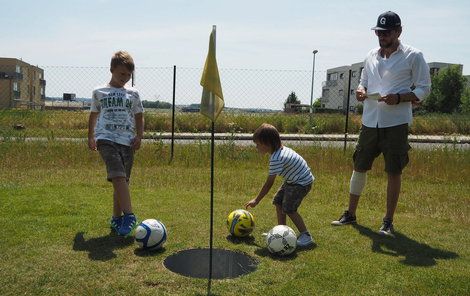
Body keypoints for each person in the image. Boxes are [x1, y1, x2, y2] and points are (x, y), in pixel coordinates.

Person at [331, 11, 431, 236]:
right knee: (359, 165)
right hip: (370, 120)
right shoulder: (370, 55)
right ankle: (350, 214)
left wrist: (400, 98)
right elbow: (363, 81)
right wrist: (360, 90)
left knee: (393, 171)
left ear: (398, 31)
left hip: (395, 122)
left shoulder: (413, 56)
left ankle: (388, 222)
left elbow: (424, 88)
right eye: (378, 32)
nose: (381, 36)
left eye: (386, 32)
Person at [88, 51, 144, 237]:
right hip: (105, 139)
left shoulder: (133, 93)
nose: (125, 78)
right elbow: (94, 114)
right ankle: (129, 216)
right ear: (111, 70)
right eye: (121, 74)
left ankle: (116, 218)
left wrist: (139, 136)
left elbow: (139, 116)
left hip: (127, 142)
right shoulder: (99, 92)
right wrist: (91, 136)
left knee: (122, 182)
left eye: (128, 75)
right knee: (118, 176)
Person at [245, 123, 315, 247]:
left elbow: (269, 183)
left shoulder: (277, 158)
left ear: (267, 143)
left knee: (289, 208)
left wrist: (257, 200)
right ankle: (282, 233)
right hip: (293, 180)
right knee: (278, 202)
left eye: (258, 144)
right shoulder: (278, 151)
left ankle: (306, 235)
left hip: (301, 182)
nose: (256, 147)